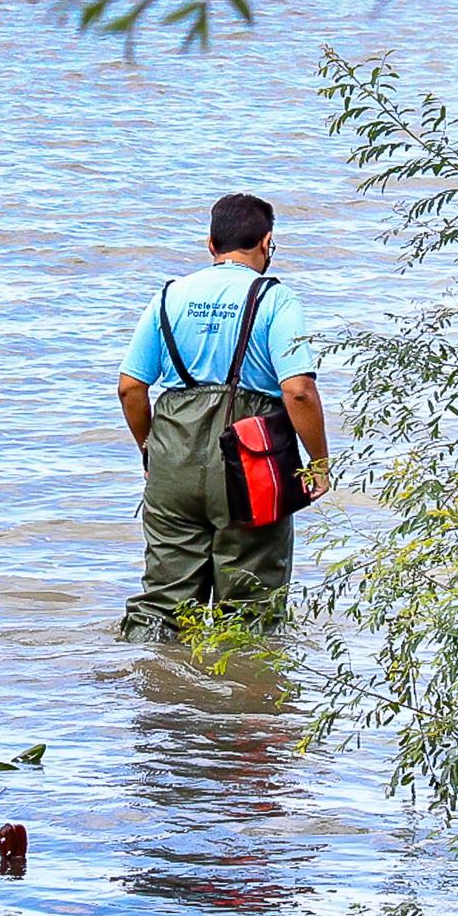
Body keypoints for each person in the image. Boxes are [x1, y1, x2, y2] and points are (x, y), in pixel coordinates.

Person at [116, 193, 330, 641]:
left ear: (210, 244)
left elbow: (131, 388)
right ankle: (243, 701)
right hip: (251, 457)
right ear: (268, 243)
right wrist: (319, 462)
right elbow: (298, 391)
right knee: (252, 601)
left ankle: (155, 697)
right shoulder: (276, 299)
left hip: (173, 454)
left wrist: (149, 447)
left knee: (162, 600)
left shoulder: (168, 296)